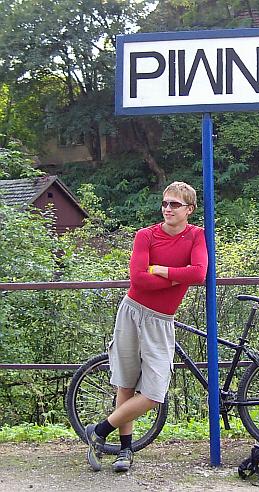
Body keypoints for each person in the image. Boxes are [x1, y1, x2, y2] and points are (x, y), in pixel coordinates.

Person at [84, 181, 208, 472]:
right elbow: (139, 280)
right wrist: (178, 277)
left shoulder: (197, 236)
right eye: (164, 203)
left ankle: (99, 431)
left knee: (153, 393)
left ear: (189, 209)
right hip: (132, 312)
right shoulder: (146, 235)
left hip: (161, 320)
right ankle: (124, 450)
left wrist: (162, 270)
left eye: (174, 204)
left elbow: (198, 274)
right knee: (126, 383)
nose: (167, 209)